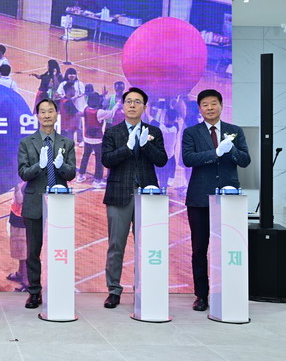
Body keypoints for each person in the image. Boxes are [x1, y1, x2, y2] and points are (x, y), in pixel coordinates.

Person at [182, 89, 250, 312]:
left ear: (221, 105)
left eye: (214, 103)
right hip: (199, 198)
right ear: (200, 109)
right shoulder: (191, 132)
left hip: (228, 200)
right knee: (199, 248)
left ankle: (228, 291)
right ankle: (201, 295)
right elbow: (188, 159)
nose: (210, 108)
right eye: (205, 104)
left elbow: (245, 160)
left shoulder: (234, 131)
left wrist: (231, 150)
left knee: (228, 247)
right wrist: (217, 152)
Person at [101, 87, 168, 309]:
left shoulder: (153, 132)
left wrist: (145, 144)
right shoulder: (112, 132)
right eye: (128, 101)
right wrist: (128, 147)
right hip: (119, 195)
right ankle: (113, 290)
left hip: (147, 196)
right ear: (122, 106)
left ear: (144, 107)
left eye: (137, 101)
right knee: (116, 245)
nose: (132, 105)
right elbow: (107, 160)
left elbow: (161, 161)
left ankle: (143, 287)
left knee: (147, 246)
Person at [17, 98, 76, 309]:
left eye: (50, 111)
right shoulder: (27, 142)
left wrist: (61, 166)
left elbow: (71, 173)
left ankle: (59, 289)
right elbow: (23, 172)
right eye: (43, 111)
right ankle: (34, 292)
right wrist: (39, 165)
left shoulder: (66, 143)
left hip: (59, 204)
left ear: (56, 115)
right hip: (34, 202)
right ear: (37, 116)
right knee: (33, 250)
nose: (47, 115)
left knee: (60, 249)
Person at [77, 92, 114, 188]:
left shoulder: (86, 109)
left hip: (87, 138)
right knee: (99, 160)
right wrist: (118, 104)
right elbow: (111, 114)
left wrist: (102, 96)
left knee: (85, 157)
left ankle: (80, 175)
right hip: (97, 140)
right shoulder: (100, 112)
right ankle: (97, 180)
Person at [6, 182, 28, 291]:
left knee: (25, 252)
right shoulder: (22, 180)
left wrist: (15, 185)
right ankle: (20, 273)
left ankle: (27, 282)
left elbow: (20, 200)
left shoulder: (31, 181)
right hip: (17, 216)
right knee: (20, 249)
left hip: (24, 220)